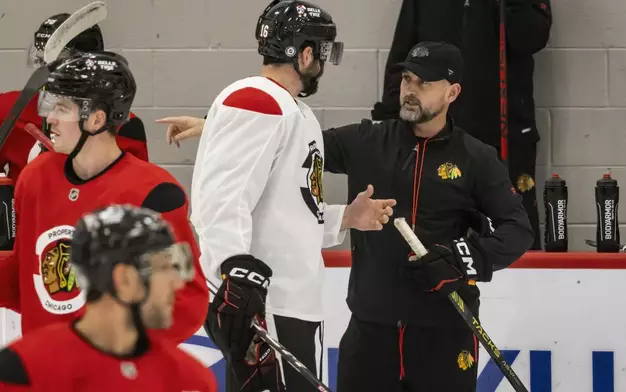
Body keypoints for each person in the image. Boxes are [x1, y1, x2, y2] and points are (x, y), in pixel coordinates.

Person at [157, 41, 533, 392]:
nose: (410, 89)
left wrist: (462, 259)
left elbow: (517, 230)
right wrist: (218, 124)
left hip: (444, 329)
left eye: (424, 82)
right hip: (370, 332)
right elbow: (287, 139)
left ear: (452, 93)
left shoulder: (476, 158)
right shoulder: (368, 140)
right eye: (406, 79)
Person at [159, 1, 395, 391]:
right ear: (305, 54)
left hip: (292, 304)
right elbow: (219, 200)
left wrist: (344, 219)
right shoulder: (259, 101)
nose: (322, 65)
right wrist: (235, 275)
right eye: (322, 54)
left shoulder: (294, 111)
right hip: (264, 304)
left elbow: (288, 212)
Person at [0, 50, 208, 346]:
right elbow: (27, 277)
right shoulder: (35, 179)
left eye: (61, 108)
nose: (50, 120)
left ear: (96, 119)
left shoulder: (155, 193)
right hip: (44, 369)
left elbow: (187, 299)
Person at [372, 0, 552, 250]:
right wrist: (391, 120)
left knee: (511, 230)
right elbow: (404, 53)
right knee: (433, 234)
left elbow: (531, 38)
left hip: (505, 134)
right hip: (437, 133)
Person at [0, 204, 218, 391]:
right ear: (124, 279)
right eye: (163, 268)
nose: (178, 283)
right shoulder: (22, 372)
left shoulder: (190, 380)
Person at [0, 12, 148, 184]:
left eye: (58, 64)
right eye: (40, 61)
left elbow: (134, 191)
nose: (46, 72)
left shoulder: (121, 125)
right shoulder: (8, 109)